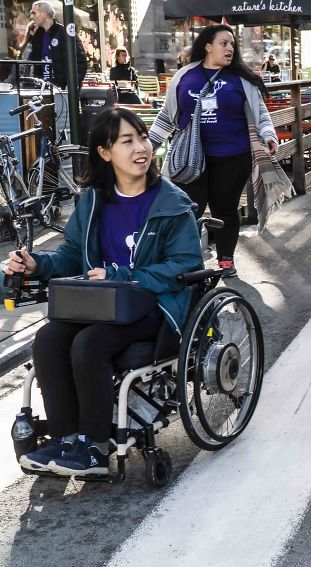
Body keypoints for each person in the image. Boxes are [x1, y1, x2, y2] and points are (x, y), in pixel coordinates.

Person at [5, 107, 202, 476]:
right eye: (127, 141)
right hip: (101, 305)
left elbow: (185, 266)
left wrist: (123, 274)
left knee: (89, 343)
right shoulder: (94, 201)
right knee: (48, 338)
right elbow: (70, 256)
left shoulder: (172, 204)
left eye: (142, 137)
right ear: (105, 153)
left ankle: (94, 446)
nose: (141, 147)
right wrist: (36, 264)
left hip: (154, 308)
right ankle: (65, 441)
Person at [149, 24, 279, 278]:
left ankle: (226, 259)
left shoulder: (241, 79)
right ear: (208, 46)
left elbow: (260, 112)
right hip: (190, 159)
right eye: (224, 43)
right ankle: (186, 260)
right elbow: (167, 116)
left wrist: (269, 135)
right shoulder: (184, 76)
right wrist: (149, 143)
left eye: (232, 44)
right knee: (189, 209)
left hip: (233, 157)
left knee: (225, 208)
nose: (230, 48)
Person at [14, 0, 86, 89]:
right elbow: (30, 63)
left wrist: (72, 83)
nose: (31, 16)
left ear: (44, 14)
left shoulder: (65, 33)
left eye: (34, 13)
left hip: (62, 89)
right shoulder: (38, 35)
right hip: (42, 89)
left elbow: (81, 61)